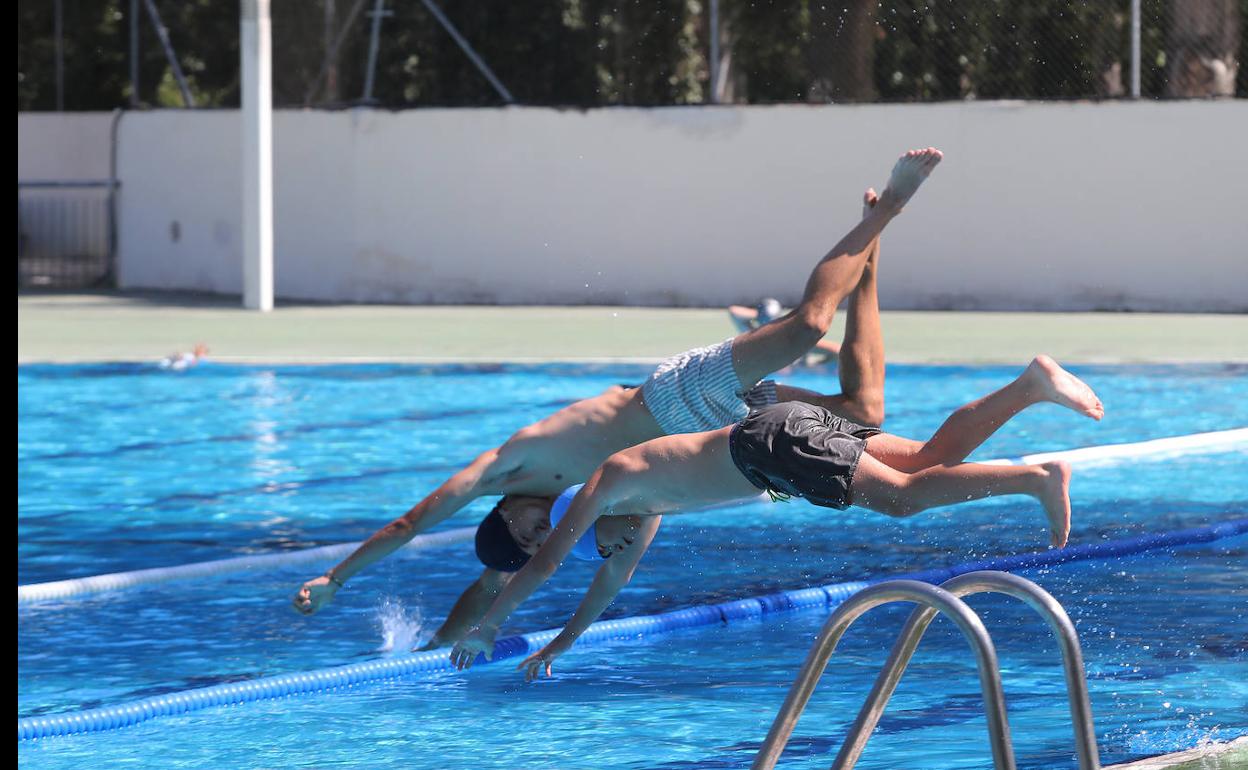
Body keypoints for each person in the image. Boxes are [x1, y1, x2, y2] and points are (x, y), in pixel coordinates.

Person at [292, 148, 943, 649]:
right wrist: (439, 648)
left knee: (806, 326)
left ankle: (890, 205)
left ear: (505, 508)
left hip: (676, 398)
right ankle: (872, 249)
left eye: (526, 529)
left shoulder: (512, 465)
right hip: (719, 438)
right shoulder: (599, 505)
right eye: (533, 540)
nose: (537, 530)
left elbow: (411, 524)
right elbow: (494, 580)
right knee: (863, 411)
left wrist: (336, 579)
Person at [449, 354, 1104, 679]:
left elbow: (553, 560)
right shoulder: (640, 511)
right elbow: (606, 589)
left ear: (589, 519)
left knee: (903, 499)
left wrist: (489, 626)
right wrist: (558, 648)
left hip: (770, 448)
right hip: (779, 434)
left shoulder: (613, 481)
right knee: (933, 456)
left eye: (604, 543)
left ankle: (1037, 475)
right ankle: (1031, 384)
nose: (613, 550)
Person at [728, 299, 840, 365]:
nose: (768, 329)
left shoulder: (794, 341)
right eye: (765, 324)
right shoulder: (754, 338)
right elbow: (734, 311)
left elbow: (837, 351)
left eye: (772, 324)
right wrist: (759, 315)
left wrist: (816, 367)